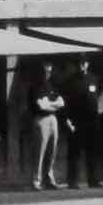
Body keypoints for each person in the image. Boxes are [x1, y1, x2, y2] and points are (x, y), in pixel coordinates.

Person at [62, 58, 103, 189]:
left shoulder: (94, 79)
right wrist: (67, 119)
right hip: (77, 120)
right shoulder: (70, 81)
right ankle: (72, 181)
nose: (82, 66)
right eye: (80, 64)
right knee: (75, 152)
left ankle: (93, 180)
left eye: (84, 63)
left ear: (87, 64)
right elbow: (65, 102)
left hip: (92, 121)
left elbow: (99, 96)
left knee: (92, 151)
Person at [27, 61, 65, 190]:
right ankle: (36, 181)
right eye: (45, 68)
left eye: (49, 68)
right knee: (40, 152)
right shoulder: (36, 86)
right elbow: (41, 105)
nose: (48, 71)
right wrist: (52, 104)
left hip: (53, 118)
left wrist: (49, 103)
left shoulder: (52, 85)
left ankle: (49, 179)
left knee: (52, 151)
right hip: (41, 119)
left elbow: (61, 103)